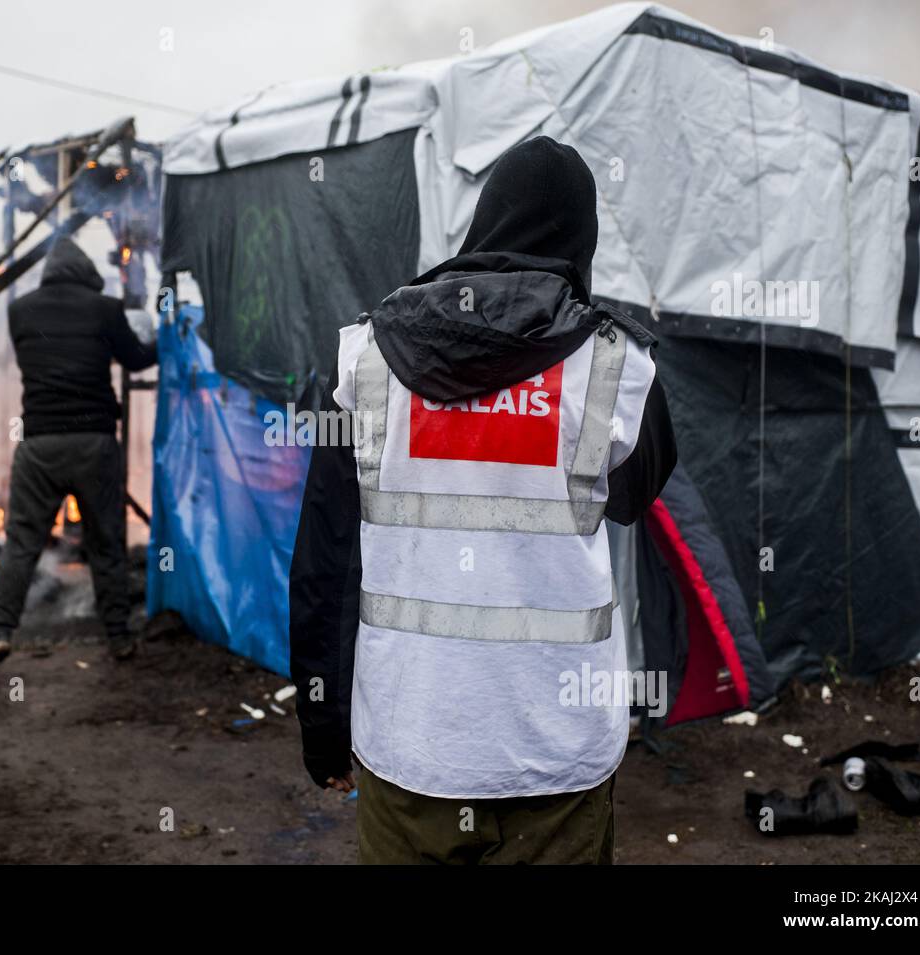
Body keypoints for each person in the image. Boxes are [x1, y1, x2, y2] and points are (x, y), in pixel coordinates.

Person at [289, 137, 677, 864]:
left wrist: (321, 717)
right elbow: (632, 497)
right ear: (579, 241)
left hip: (411, 752)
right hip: (557, 762)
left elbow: (324, 563)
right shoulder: (616, 369)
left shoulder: (363, 361)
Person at [0, 237, 157, 684]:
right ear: (87, 273)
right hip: (94, 442)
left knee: (22, 543)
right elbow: (135, 359)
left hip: (39, 444)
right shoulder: (105, 309)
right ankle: (119, 635)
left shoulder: (20, 311)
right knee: (105, 542)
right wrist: (165, 338)